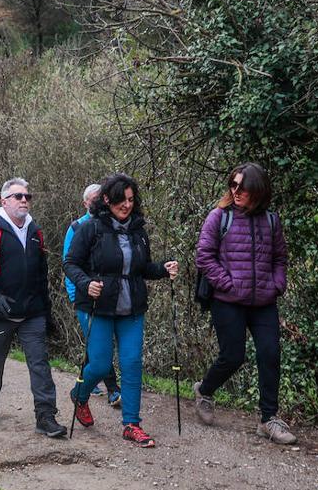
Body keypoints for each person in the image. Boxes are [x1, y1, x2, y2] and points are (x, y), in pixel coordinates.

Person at [63, 173, 179, 447]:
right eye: (120, 200)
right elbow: (70, 263)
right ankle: (80, 395)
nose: (126, 205)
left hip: (131, 308)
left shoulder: (138, 231)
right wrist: (86, 282)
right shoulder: (90, 228)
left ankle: (131, 424)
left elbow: (142, 269)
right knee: (101, 364)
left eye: (130, 200)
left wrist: (163, 269)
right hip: (96, 306)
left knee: (132, 363)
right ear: (106, 199)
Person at [191, 163, 296, 444]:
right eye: (233, 185)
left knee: (270, 354)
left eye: (243, 187)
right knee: (233, 355)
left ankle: (268, 419)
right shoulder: (219, 217)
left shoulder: (272, 221)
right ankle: (205, 390)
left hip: (263, 301)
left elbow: (280, 259)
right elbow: (204, 257)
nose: (236, 191)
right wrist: (228, 284)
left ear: (258, 191)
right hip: (227, 300)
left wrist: (277, 284)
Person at [0, 178, 67, 438]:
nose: (24, 200)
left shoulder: (35, 232)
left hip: (32, 313)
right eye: (18, 196)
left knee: (40, 364)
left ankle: (45, 417)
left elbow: (41, 275)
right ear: (4, 201)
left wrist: (47, 314)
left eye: (27, 195)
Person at [63, 183, 121, 408]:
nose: (99, 202)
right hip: (85, 298)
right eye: (94, 199)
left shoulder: (113, 225)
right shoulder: (77, 227)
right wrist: (73, 294)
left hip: (110, 298)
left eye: (102, 198)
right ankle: (113, 390)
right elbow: (69, 263)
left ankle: (86, 379)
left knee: (96, 345)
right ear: (86, 203)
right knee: (101, 346)